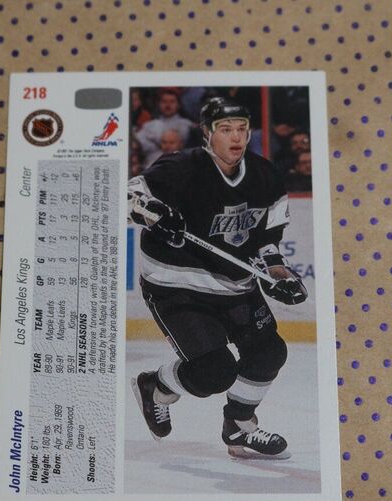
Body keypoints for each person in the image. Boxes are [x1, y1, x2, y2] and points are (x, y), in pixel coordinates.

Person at [127, 97, 307, 459]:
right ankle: (155, 386)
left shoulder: (265, 176)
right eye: (226, 129)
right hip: (177, 285)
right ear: (207, 133)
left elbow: (268, 240)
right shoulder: (180, 167)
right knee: (214, 372)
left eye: (242, 129)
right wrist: (154, 214)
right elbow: (130, 196)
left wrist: (278, 274)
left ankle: (239, 427)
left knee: (269, 351)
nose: (235, 137)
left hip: (235, 285)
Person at [135, 87, 194, 167]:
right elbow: (137, 144)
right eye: (164, 101)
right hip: (151, 166)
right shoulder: (149, 126)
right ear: (158, 104)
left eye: (172, 101)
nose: (168, 105)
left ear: (178, 104)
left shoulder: (188, 125)